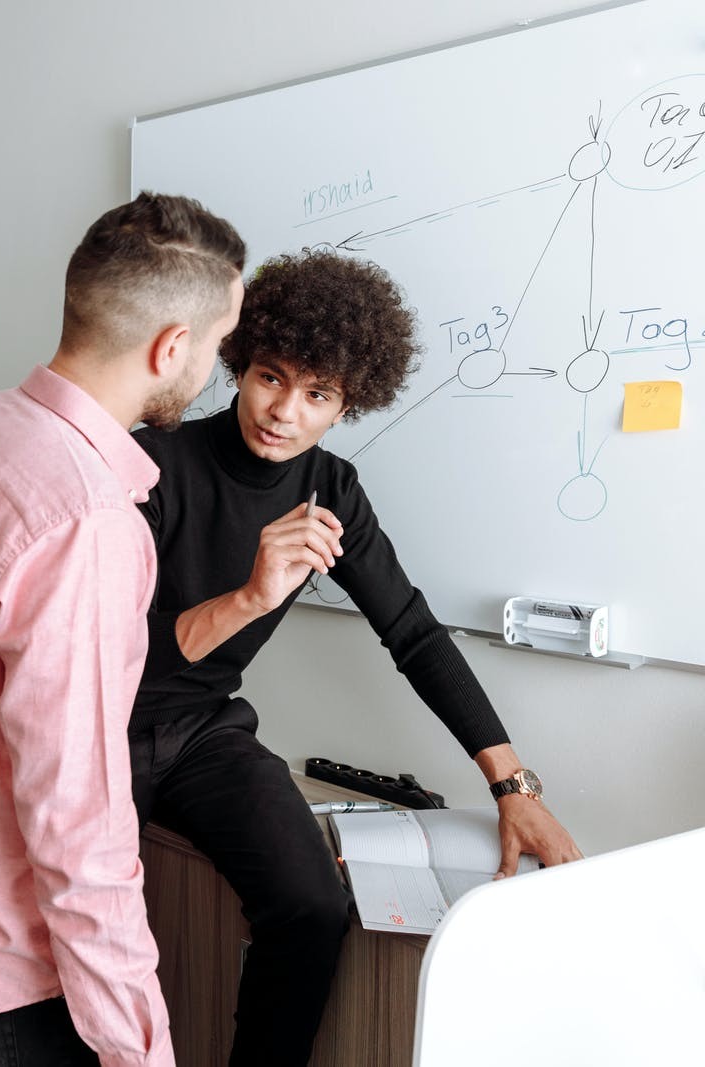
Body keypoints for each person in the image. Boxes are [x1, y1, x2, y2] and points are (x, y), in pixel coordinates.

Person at [129, 249, 583, 1066]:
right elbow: (105, 658)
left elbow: (412, 632)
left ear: (347, 403)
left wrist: (511, 783)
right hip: (97, 728)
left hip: (203, 732)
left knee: (309, 905)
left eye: (318, 394)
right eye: (271, 377)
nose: (284, 412)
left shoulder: (332, 491)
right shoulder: (155, 465)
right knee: (77, 930)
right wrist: (250, 595)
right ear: (239, 364)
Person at [0, 191, 246, 1066]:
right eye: (221, 343)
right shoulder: (84, 519)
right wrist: (138, 1046)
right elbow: (78, 822)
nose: (219, 368)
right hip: (7, 982)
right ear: (171, 347)